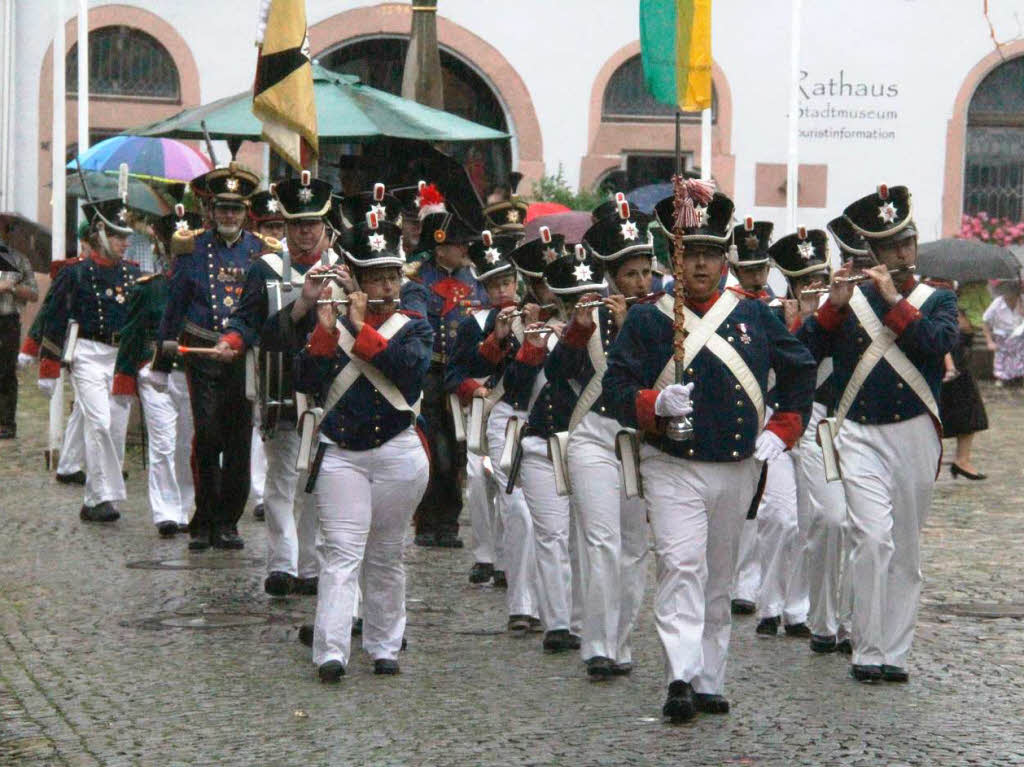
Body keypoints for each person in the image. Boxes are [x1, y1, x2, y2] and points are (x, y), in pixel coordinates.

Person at [605, 187, 815, 722]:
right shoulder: (649, 319)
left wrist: (785, 426)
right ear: (674, 259)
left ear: (724, 259)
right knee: (680, 564)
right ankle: (678, 672)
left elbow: (799, 369)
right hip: (671, 462)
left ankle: (709, 677)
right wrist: (653, 402)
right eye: (689, 253)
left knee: (719, 576)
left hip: (738, 463)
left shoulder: (757, 315)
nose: (700, 263)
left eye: (710, 254)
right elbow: (616, 389)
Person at [797, 184, 958, 683]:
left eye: (907, 243)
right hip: (858, 431)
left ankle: (895, 650)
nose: (902, 254)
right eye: (890, 247)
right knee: (870, 538)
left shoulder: (938, 299)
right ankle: (867, 648)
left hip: (913, 431)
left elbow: (938, 345)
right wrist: (830, 309)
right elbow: (803, 353)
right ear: (873, 252)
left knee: (905, 548)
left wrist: (895, 302)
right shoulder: (849, 299)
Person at [294, 214, 432, 682]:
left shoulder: (414, 324)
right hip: (343, 452)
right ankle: (331, 651)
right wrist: (324, 333)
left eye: (392, 276)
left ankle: (384, 645)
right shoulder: (332, 322)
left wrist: (360, 326)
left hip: (398, 450)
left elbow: (409, 373)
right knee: (341, 553)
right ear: (355, 277)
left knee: (387, 553)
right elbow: (307, 383)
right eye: (375, 276)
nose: (387, 285)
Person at [216, 172, 345, 595]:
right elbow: (246, 319)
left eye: (312, 224)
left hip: (332, 390)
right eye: (296, 224)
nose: (305, 233)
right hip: (282, 387)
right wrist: (232, 339)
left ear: (326, 227)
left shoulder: (344, 271)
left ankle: (310, 566)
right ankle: (282, 564)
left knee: (318, 482)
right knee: (282, 478)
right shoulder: (265, 269)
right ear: (285, 227)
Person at [153, 163, 268, 551]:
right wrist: (163, 351)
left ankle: (228, 521)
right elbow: (176, 302)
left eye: (236, 209)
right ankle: (203, 517)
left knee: (238, 439)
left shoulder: (261, 251)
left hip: (240, 357)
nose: (229, 216)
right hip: (201, 353)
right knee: (207, 436)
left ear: (246, 211)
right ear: (211, 210)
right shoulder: (192, 246)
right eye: (222, 208)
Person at [564, 198, 655, 680]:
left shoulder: (663, 320)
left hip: (642, 443)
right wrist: (576, 334)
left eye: (646, 272)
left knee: (635, 546)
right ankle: (596, 645)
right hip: (594, 437)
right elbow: (558, 377)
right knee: (601, 540)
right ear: (612, 277)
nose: (640, 282)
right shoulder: (588, 314)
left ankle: (620, 641)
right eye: (630, 274)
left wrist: (628, 330)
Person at [771, 222, 852, 653]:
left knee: (852, 524)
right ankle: (808, 611)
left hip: (855, 418)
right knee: (820, 518)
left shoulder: (852, 306)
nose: (816, 286)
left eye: (821, 278)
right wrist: (802, 319)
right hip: (810, 419)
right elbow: (794, 361)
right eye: (806, 281)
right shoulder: (782, 317)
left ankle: (846, 618)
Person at [37, 198, 142, 522]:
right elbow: (53, 317)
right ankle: (99, 497)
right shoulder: (77, 274)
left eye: (127, 236)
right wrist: (48, 366)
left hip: (120, 357)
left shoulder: (133, 274)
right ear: (99, 233)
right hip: (87, 354)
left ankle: (99, 495)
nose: (125, 242)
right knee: (99, 422)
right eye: (118, 235)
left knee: (115, 428)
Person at [401, 185, 488, 549]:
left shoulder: (474, 280)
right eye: (457, 244)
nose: (464, 249)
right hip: (429, 376)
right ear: (440, 245)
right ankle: (427, 521)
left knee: (457, 451)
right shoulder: (420, 278)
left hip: (461, 374)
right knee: (432, 448)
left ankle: (449, 522)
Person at [111, 206, 202, 537]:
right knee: (163, 442)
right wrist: (124, 378)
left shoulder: (206, 289)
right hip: (156, 373)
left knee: (187, 444)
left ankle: (186, 505)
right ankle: (165, 511)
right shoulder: (149, 288)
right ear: (164, 249)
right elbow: (133, 335)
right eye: (174, 248)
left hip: (192, 372)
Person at [444, 229, 520, 586]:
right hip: (481, 413)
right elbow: (453, 372)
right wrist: (471, 387)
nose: (502, 291)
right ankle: (485, 554)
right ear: (484, 289)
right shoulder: (472, 324)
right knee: (478, 480)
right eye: (494, 285)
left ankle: (508, 559)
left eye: (506, 281)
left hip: (517, 414)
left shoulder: (530, 318)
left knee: (511, 486)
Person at [933, 279, 988, 480]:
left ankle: (962, 460)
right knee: (941, 417)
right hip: (946, 367)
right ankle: (951, 460)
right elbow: (947, 332)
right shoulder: (936, 299)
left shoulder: (954, 298)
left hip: (957, 364)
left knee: (970, 415)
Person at [0, 229, 40, 438]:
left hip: (8, 321)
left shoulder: (19, 260)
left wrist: (13, 289)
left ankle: (6, 423)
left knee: (6, 371)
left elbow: (34, 293)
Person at [982, 279, 1024, 386]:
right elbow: (985, 321)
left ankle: (1019, 376)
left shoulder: (1022, 301)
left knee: (1019, 356)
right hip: (1002, 336)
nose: (1008, 299)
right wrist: (989, 341)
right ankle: (1002, 377)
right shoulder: (997, 302)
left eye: (1011, 296)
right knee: (1002, 357)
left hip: (1020, 336)